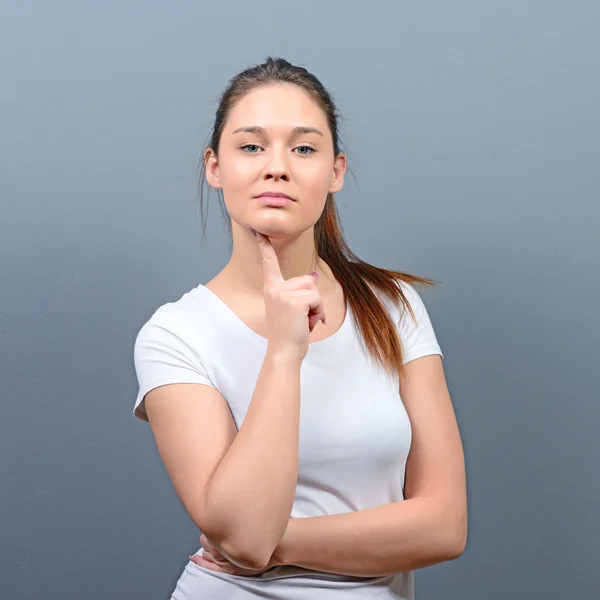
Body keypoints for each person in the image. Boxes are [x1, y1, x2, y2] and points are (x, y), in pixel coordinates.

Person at [132, 56, 467, 599]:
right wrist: (285, 351)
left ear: (335, 171)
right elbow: (240, 532)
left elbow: (446, 525)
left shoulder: (391, 305)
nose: (277, 167)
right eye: (251, 146)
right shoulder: (176, 334)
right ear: (214, 167)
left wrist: (278, 541)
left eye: (304, 148)